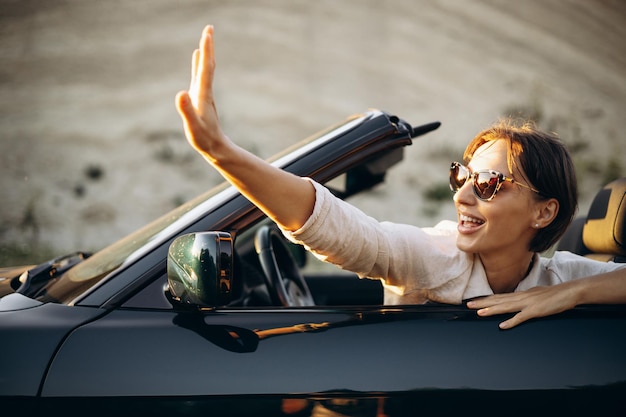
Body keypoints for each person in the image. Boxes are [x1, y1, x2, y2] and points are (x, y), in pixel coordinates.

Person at [175, 25, 626, 330]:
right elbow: (341, 229)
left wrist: (572, 293)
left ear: (544, 211)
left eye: (488, 183)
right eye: (461, 176)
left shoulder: (561, 276)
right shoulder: (431, 256)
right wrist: (222, 152)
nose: (464, 195)